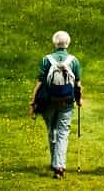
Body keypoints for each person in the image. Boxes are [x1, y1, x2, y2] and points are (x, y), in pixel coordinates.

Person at [32, 30, 83, 178]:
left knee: (52, 130)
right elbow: (78, 84)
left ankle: (56, 162)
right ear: (68, 43)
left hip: (49, 101)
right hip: (67, 102)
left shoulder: (46, 60)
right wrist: (79, 99)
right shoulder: (74, 61)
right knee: (63, 133)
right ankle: (59, 165)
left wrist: (33, 100)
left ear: (55, 43)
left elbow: (40, 83)